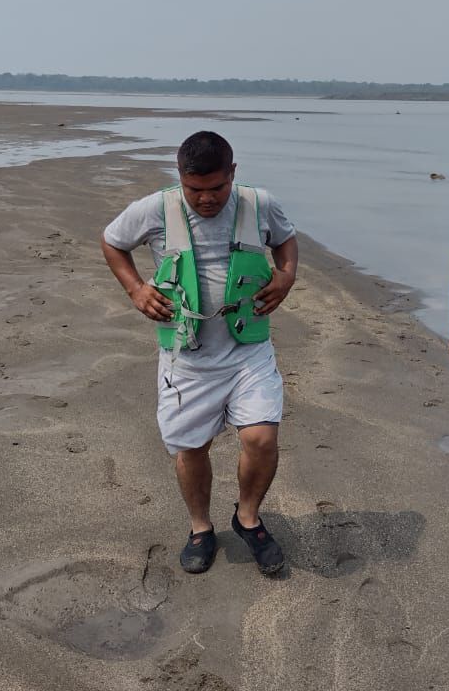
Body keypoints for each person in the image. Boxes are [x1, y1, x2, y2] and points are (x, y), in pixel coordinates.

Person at [101, 131, 299, 575]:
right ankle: (200, 528)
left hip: (248, 348)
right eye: (195, 190)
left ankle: (248, 517)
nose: (206, 199)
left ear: (233, 173)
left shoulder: (259, 203)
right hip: (186, 357)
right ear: (179, 177)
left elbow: (285, 240)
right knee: (191, 448)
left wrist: (286, 277)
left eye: (216, 188)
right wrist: (135, 289)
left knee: (261, 438)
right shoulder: (154, 209)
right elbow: (112, 241)